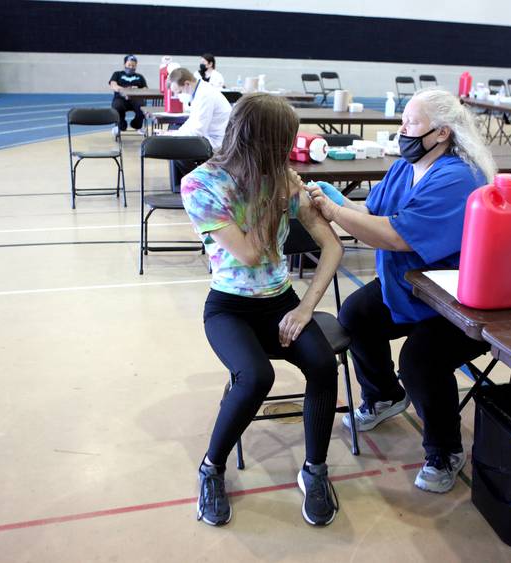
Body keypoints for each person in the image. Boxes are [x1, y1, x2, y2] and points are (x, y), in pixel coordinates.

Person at [307, 88, 497, 494]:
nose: (402, 130)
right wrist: (332, 200)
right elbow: (373, 215)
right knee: (357, 316)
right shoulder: (406, 165)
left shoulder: (457, 178)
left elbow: (395, 237)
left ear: (442, 132)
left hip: (454, 300)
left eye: (410, 123)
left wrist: (336, 213)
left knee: (420, 362)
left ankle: (445, 449)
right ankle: (384, 396)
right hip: (410, 287)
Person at [181, 93, 344, 527]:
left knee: (323, 365)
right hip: (229, 309)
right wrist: (277, 191)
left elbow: (332, 245)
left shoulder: (283, 176)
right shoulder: (201, 184)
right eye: (285, 143)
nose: (291, 152)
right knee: (256, 376)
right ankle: (211, 468)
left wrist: (307, 307)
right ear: (264, 143)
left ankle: (314, 469)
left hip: (282, 302)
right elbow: (252, 254)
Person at [166, 67, 232, 189]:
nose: (179, 96)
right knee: (173, 145)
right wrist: (173, 133)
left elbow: (198, 130)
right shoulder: (199, 92)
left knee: (176, 151)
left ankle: (201, 185)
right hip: (209, 137)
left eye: (179, 92)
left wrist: (175, 136)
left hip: (219, 142)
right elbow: (192, 122)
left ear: (187, 84)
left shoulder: (205, 94)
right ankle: (195, 184)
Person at [108, 54, 147, 136]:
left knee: (143, 108)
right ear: (124, 64)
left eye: (133, 65)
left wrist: (137, 90)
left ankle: (136, 125)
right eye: (129, 65)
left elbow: (145, 89)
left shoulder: (139, 77)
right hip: (121, 98)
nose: (131, 67)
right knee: (117, 106)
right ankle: (121, 126)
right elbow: (113, 85)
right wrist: (124, 90)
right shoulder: (117, 74)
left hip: (136, 99)